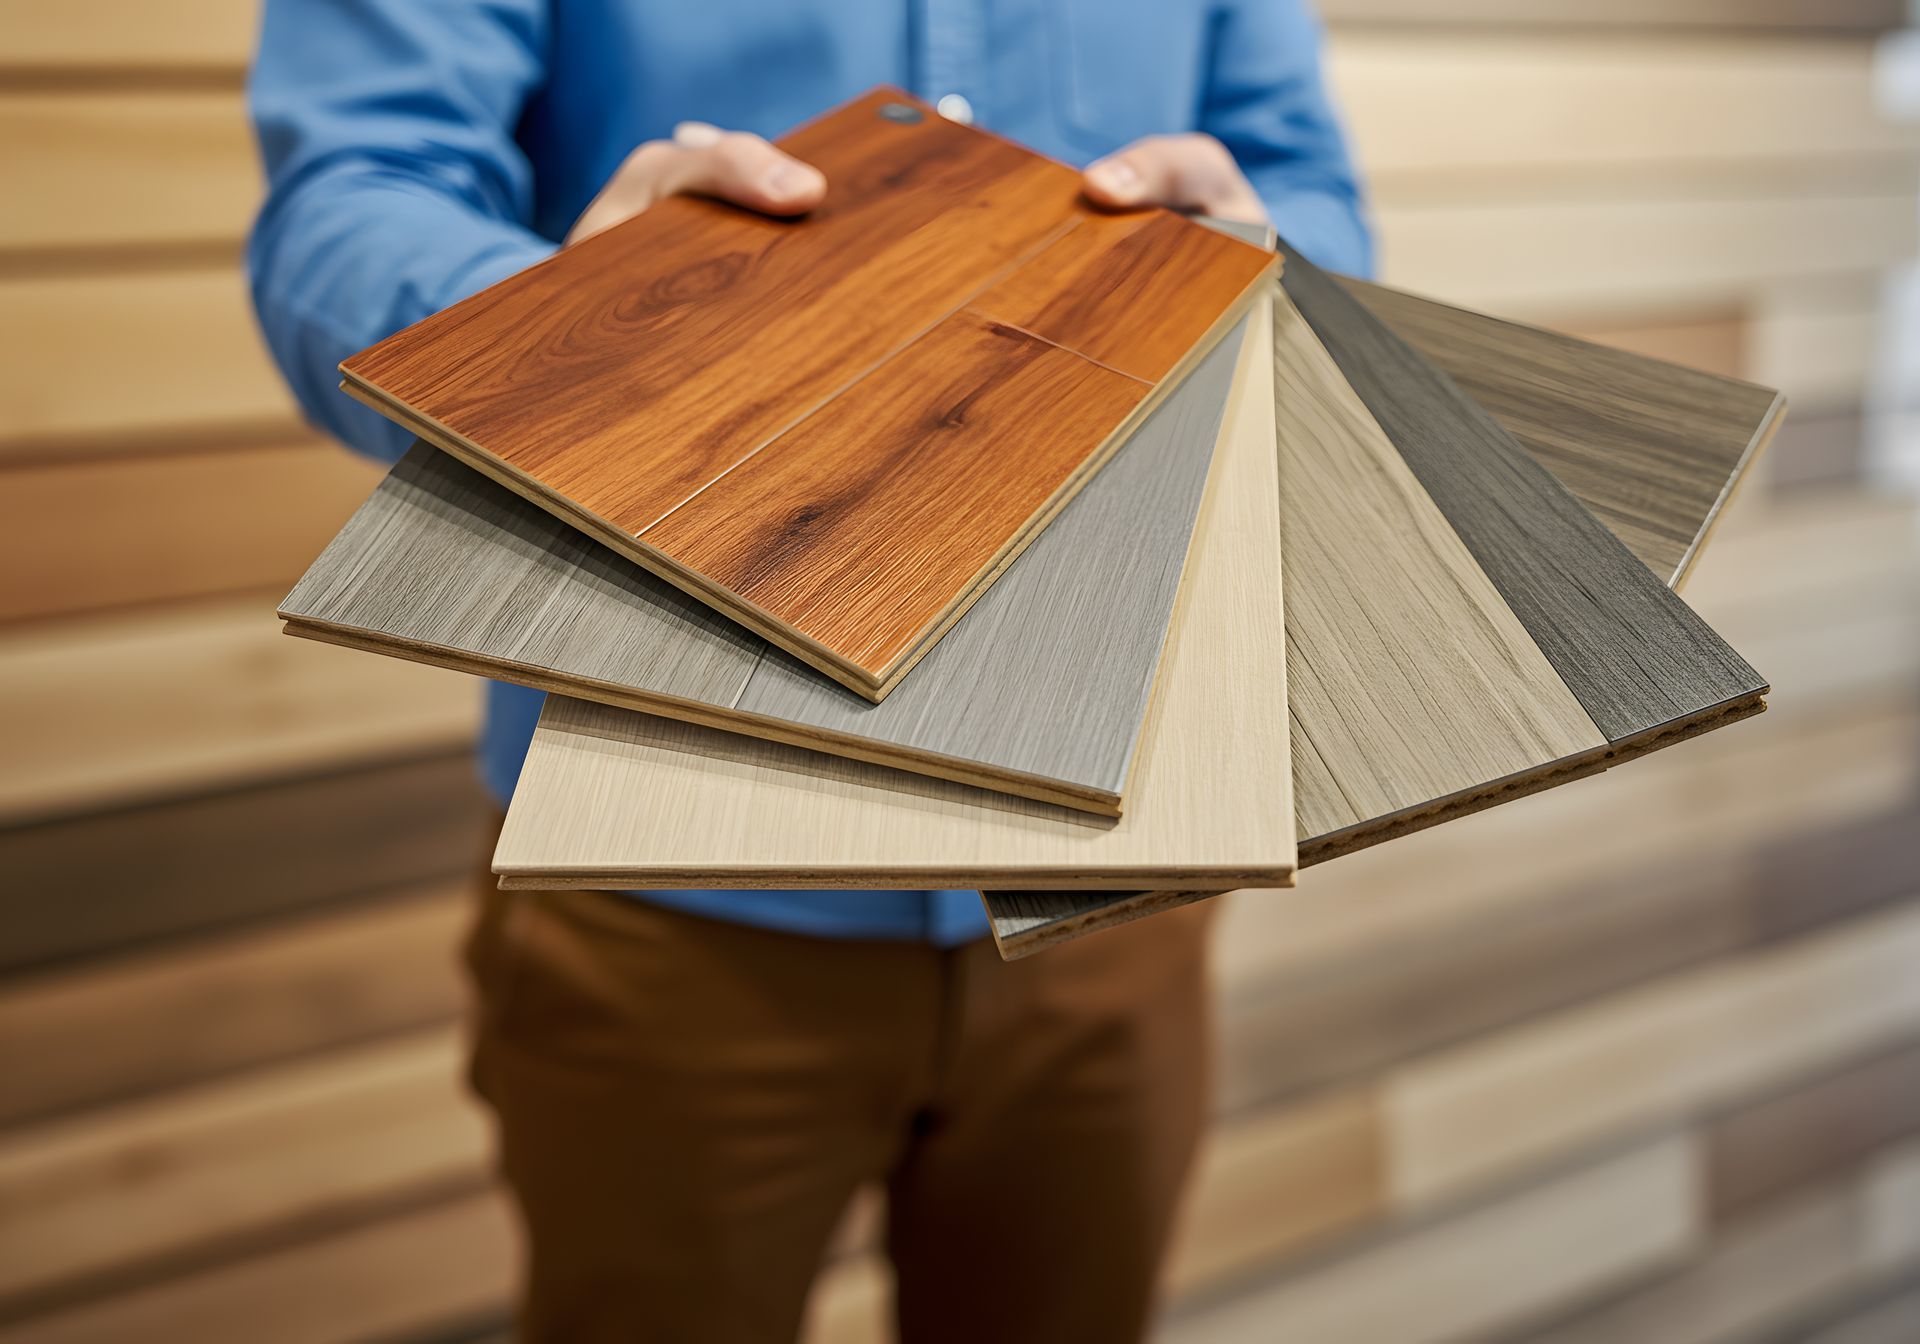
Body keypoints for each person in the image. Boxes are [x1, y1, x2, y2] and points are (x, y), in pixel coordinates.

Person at [248, 4, 1370, 1340]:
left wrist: (1269, 250)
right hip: (666, 887)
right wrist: (561, 330)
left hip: (1116, 861)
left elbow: (1313, 203)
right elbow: (352, 194)